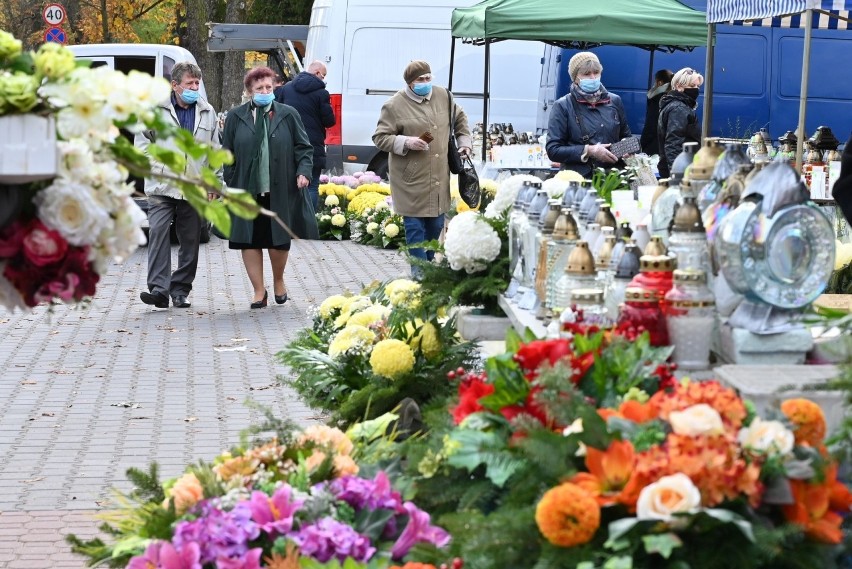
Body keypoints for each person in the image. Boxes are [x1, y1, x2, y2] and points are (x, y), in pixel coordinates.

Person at [221, 66, 318, 309]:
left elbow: (303, 147)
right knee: (249, 240)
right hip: (246, 189)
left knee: (278, 240)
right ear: (249, 91)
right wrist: (232, 179)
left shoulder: (288, 113)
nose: (265, 91)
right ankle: (258, 291)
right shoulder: (236, 116)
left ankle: (278, 281)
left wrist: (303, 172)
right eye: (259, 88)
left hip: (280, 188)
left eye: (268, 86)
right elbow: (227, 152)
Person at [372, 60, 471, 276]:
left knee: (435, 225)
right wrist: (406, 142)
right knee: (415, 228)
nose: (425, 83)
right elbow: (380, 138)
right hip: (410, 177)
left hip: (438, 176)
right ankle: (418, 273)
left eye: (428, 78)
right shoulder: (394, 105)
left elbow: (461, 119)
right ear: (410, 83)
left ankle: (424, 266)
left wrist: (464, 143)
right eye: (420, 80)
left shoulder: (444, 96)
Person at [136, 61, 220, 309]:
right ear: (174, 86)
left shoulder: (207, 112)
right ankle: (159, 290)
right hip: (162, 186)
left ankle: (180, 289)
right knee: (159, 232)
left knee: (190, 240)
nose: (194, 87)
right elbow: (142, 144)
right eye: (189, 83)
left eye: (197, 83)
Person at [545, 51, 631, 177]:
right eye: (586, 74)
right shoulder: (563, 105)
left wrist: (626, 148)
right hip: (579, 181)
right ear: (575, 78)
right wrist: (589, 151)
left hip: (614, 179)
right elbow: (553, 150)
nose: (592, 77)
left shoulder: (615, 101)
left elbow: (626, 135)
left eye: (596, 72)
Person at [277, 61, 336, 211]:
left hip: (287, 144)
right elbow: (329, 121)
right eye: (324, 75)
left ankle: (289, 222)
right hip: (312, 145)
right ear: (317, 73)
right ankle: (308, 224)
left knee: (288, 186)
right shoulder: (322, 93)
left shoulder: (287, 88)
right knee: (311, 186)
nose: (324, 79)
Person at [657, 67, 704, 179]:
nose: (696, 89)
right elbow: (673, 143)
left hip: (682, 166)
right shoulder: (679, 108)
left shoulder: (676, 105)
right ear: (679, 86)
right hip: (681, 170)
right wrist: (677, 175)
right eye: (692, 86)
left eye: (698, 86)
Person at [640, 69, 673, 156]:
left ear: (659, 82)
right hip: (669, 145)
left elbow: (651, 124)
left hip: (655, 146)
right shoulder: (672, 96)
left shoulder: (657, 98)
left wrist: (642, 143)